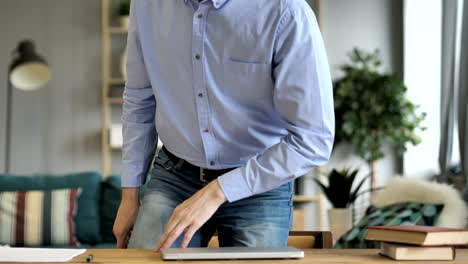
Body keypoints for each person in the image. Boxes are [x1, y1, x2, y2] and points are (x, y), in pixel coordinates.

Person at [113, 0, 334, 250]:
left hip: (259, 181)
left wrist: (216, 191)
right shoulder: (147, 5)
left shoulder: (287, 12)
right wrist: (129, 196)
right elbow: (139, 98)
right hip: (175, 176)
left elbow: (314, 139)